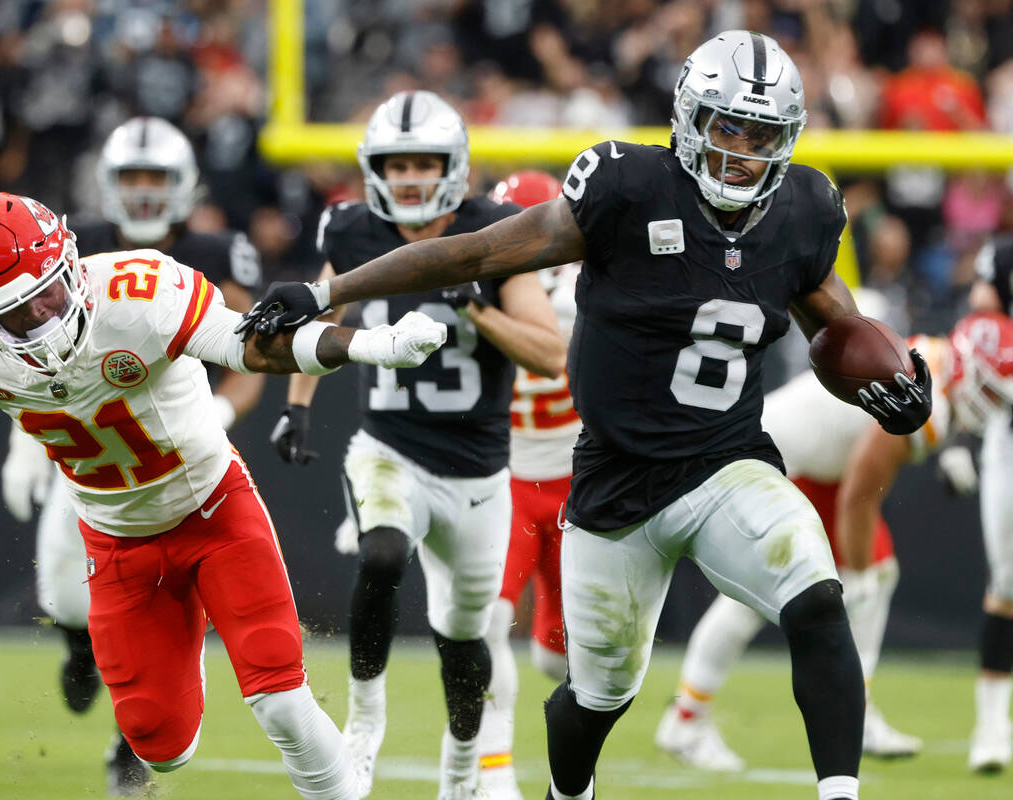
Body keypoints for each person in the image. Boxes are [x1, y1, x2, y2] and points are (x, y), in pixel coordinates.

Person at [239, 31, 935, 800]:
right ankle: (569, 793)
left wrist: (894, 387)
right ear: (688, 119)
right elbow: (473, 254)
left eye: (762, 133)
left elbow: (838, 337)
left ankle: (840, 793)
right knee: (596, 698)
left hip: (727, 463)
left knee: (816, 592)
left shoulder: (803, 209)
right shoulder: (628, 186)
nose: (742, 151)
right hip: (615, 488)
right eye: (728, 127)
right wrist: (327, 293)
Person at [0, 191, 451, 800]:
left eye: (48, 295)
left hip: (213, 508)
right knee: (157, 743)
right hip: (116, 539)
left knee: (280, 698)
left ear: (70, 262)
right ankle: (183, 642)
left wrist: (366, 345)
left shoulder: (139, 291)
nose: (42, 320)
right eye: (14, 315)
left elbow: (251, 344)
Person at [268, 90, 566, 800]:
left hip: (480, 475)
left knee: (464, 643)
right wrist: (298, 409)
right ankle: (363, 724)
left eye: (422, 162)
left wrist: (477, 307)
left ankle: (461, 769)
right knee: (382, 553)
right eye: (394, 163)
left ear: (454, 165)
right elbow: (322, 321)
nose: (406, 177)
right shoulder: (351, 229)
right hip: (389, 448)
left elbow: (550, 355)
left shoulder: (499, 232)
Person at [0, 116, 265, 795]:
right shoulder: (66, 247)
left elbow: (254, 352)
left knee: (163, 609)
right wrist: (22, 440)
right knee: (61, 592)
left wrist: (223, 413)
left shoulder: (214, 248)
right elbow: (23, 356)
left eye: (156, 179)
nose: (143, 193)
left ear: (184, 186)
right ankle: (78, 645)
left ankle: (131, 746)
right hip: (92, 451)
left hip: (175, 457)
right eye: (130, 178)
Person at [654, 311, 1013, 771]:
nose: (989, 404)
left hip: (805, 461)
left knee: (877, 574)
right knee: (767, 595)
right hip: (778, 461)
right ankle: (686, 719)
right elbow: (859, 496)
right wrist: (857, 573)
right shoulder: (928, 402)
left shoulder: (933, 358)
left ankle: (855, 710)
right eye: (987, 389)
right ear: (970, 369)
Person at [474, 170, 577, 800]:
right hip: (506, 480)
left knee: (559, 659)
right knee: (487, 622)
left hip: (574, 484)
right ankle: (494, 773)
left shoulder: (585, 289)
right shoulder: (483, 290)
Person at [965, 233, 1013, 772]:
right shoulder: (1002, 257)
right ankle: (992, 727)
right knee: (1007, 583)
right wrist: (960, 436)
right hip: (1010, 434)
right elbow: (980, 328)